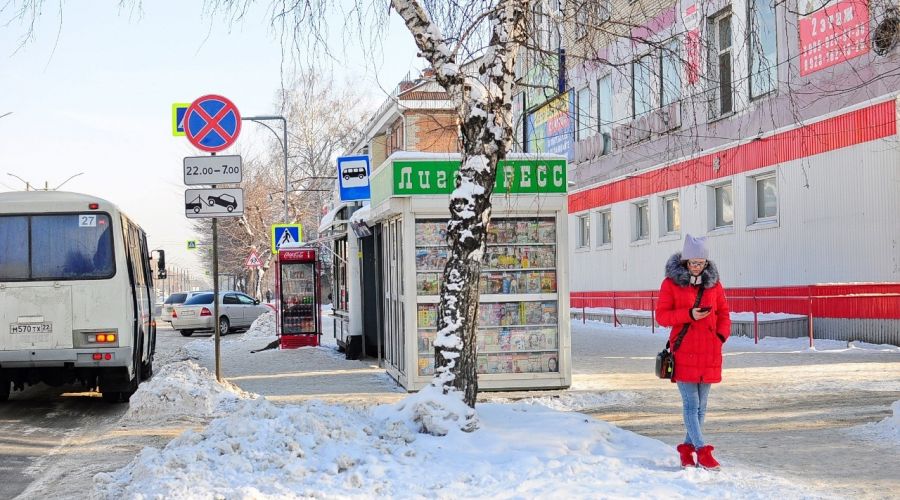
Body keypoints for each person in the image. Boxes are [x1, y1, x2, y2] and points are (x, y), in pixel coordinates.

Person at [655, 234, 731, 470]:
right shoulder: (671, 283)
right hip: (684, 350)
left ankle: (686, 450)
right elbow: (662, 316)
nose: (697, 267)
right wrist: (689, 315)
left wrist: (720, 337)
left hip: (709, 351)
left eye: (702, 263)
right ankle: (702, 450)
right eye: (693, 263)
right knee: (691, 403)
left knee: (702, 405)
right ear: (685, 262)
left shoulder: (714, 284)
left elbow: (725, 313)